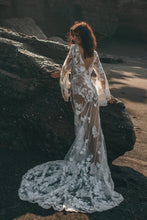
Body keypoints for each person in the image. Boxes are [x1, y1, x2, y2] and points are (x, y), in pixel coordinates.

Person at [18, 21, 124, 213]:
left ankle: (85, 163)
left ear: (81, 36)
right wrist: (106, 97)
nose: (72, 38)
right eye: (72, 35)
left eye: (75, 35)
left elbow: (66, 70)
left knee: (83, 129)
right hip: (90, 93)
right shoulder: (94, 53)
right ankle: (96, 164)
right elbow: (100, 76)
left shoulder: (75, 50)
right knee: (93, 128)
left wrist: (56, 76)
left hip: (79, 93)